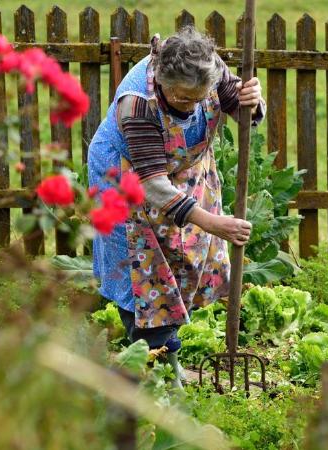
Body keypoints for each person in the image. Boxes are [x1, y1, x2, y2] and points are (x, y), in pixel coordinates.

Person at [88, 26, 265, 387]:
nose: (195, 107)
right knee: (146, 277)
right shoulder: (137, 103)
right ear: (163, 82)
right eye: (185, 100)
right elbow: (153, 186)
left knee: (181, 264)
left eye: (201, 98)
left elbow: (241, 109)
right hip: (127, 181)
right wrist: (214, 224)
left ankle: (171, 363)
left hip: (186, 170)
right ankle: (143, 368)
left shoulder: (205, 68)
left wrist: (253, 100)